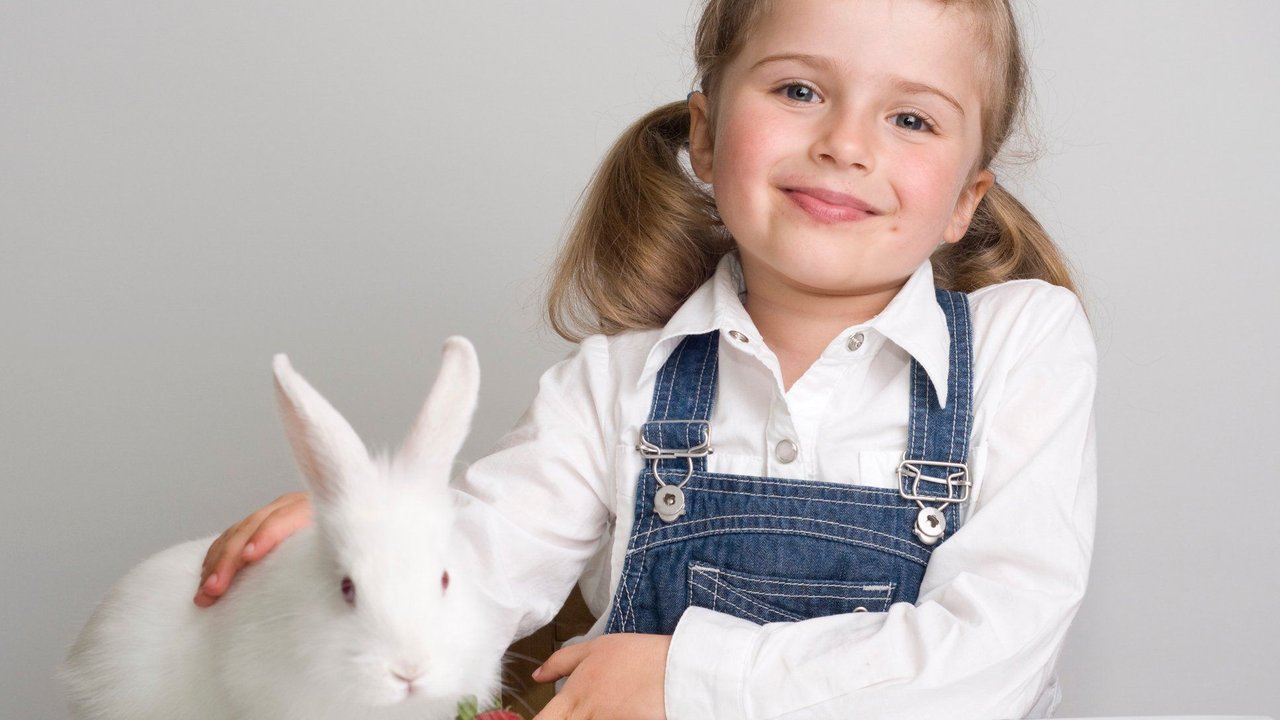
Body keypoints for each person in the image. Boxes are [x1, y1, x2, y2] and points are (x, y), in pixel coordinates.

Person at [194, 0, 1097, 717]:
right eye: (798, 91)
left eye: (910, 117)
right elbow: (470, 575)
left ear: (964, 200)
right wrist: (369, 544)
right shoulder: (613, 385)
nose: (847, 144)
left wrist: (687, 683)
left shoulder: (1026, 345)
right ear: (704, 134)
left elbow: (994, 657)